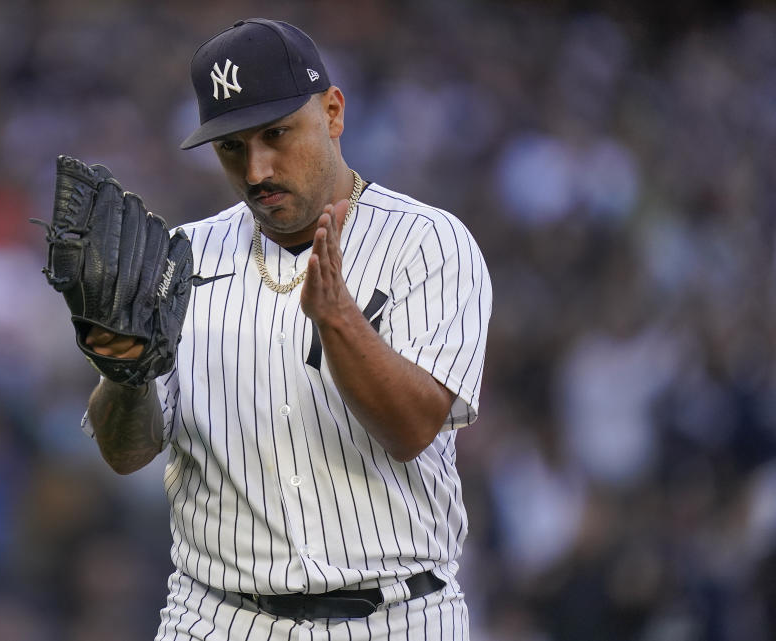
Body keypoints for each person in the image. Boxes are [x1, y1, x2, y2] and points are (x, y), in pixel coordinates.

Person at [80, 18, 492, 640]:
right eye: (232, 147)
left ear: (332, 112)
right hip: (218, 617)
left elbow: (411, 430)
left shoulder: (428, 242)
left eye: (277, 134)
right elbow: (127, 452)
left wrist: (340, 322)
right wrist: (125, 373)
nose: (257, 170)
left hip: (398, 617)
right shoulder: (178, 259)